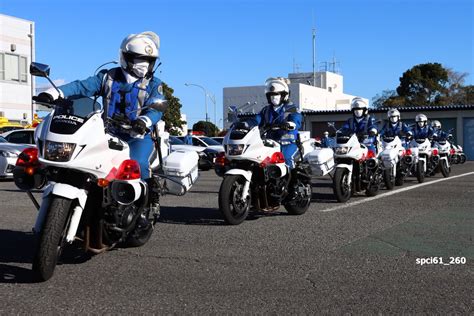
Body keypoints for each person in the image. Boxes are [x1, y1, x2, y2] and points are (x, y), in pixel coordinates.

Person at [34, 32, 165, 188]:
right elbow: (81, 87)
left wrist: (144, 121)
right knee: (89, 163)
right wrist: (52, 93)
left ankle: (145, 197)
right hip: (107, 133)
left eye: (148, 60)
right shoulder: (107, 77)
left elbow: (157, 107)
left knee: (137, 163)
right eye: (139, 59)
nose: (144, 64)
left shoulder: (154, 84)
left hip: (137, 136)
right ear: (126, 57)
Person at [238, 77, 302, 169]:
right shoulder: (266, 110)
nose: (273, 97)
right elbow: (257, 119)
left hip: (288, 143)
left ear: (284, 95)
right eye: (271, 95)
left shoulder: (292, 108)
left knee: (287, 158)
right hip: (270, 143)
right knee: (258, 160)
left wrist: (290, 124)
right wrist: (246, 123)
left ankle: (293, 181)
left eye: (276, 94)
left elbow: (296, 120)